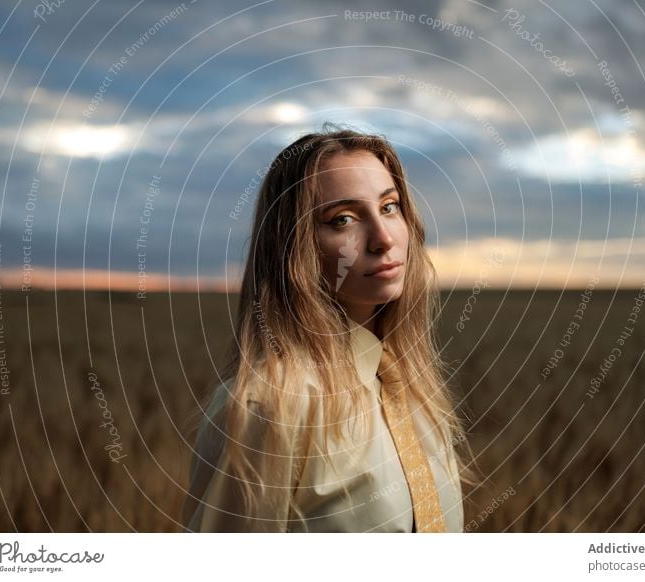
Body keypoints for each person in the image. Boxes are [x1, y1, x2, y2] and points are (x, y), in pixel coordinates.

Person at [181, 123, 478, 532]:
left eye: (389, 207)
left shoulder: (411, 389)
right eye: (343, 219)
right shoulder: (270, 405)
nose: (382, 238)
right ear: (295, 246)